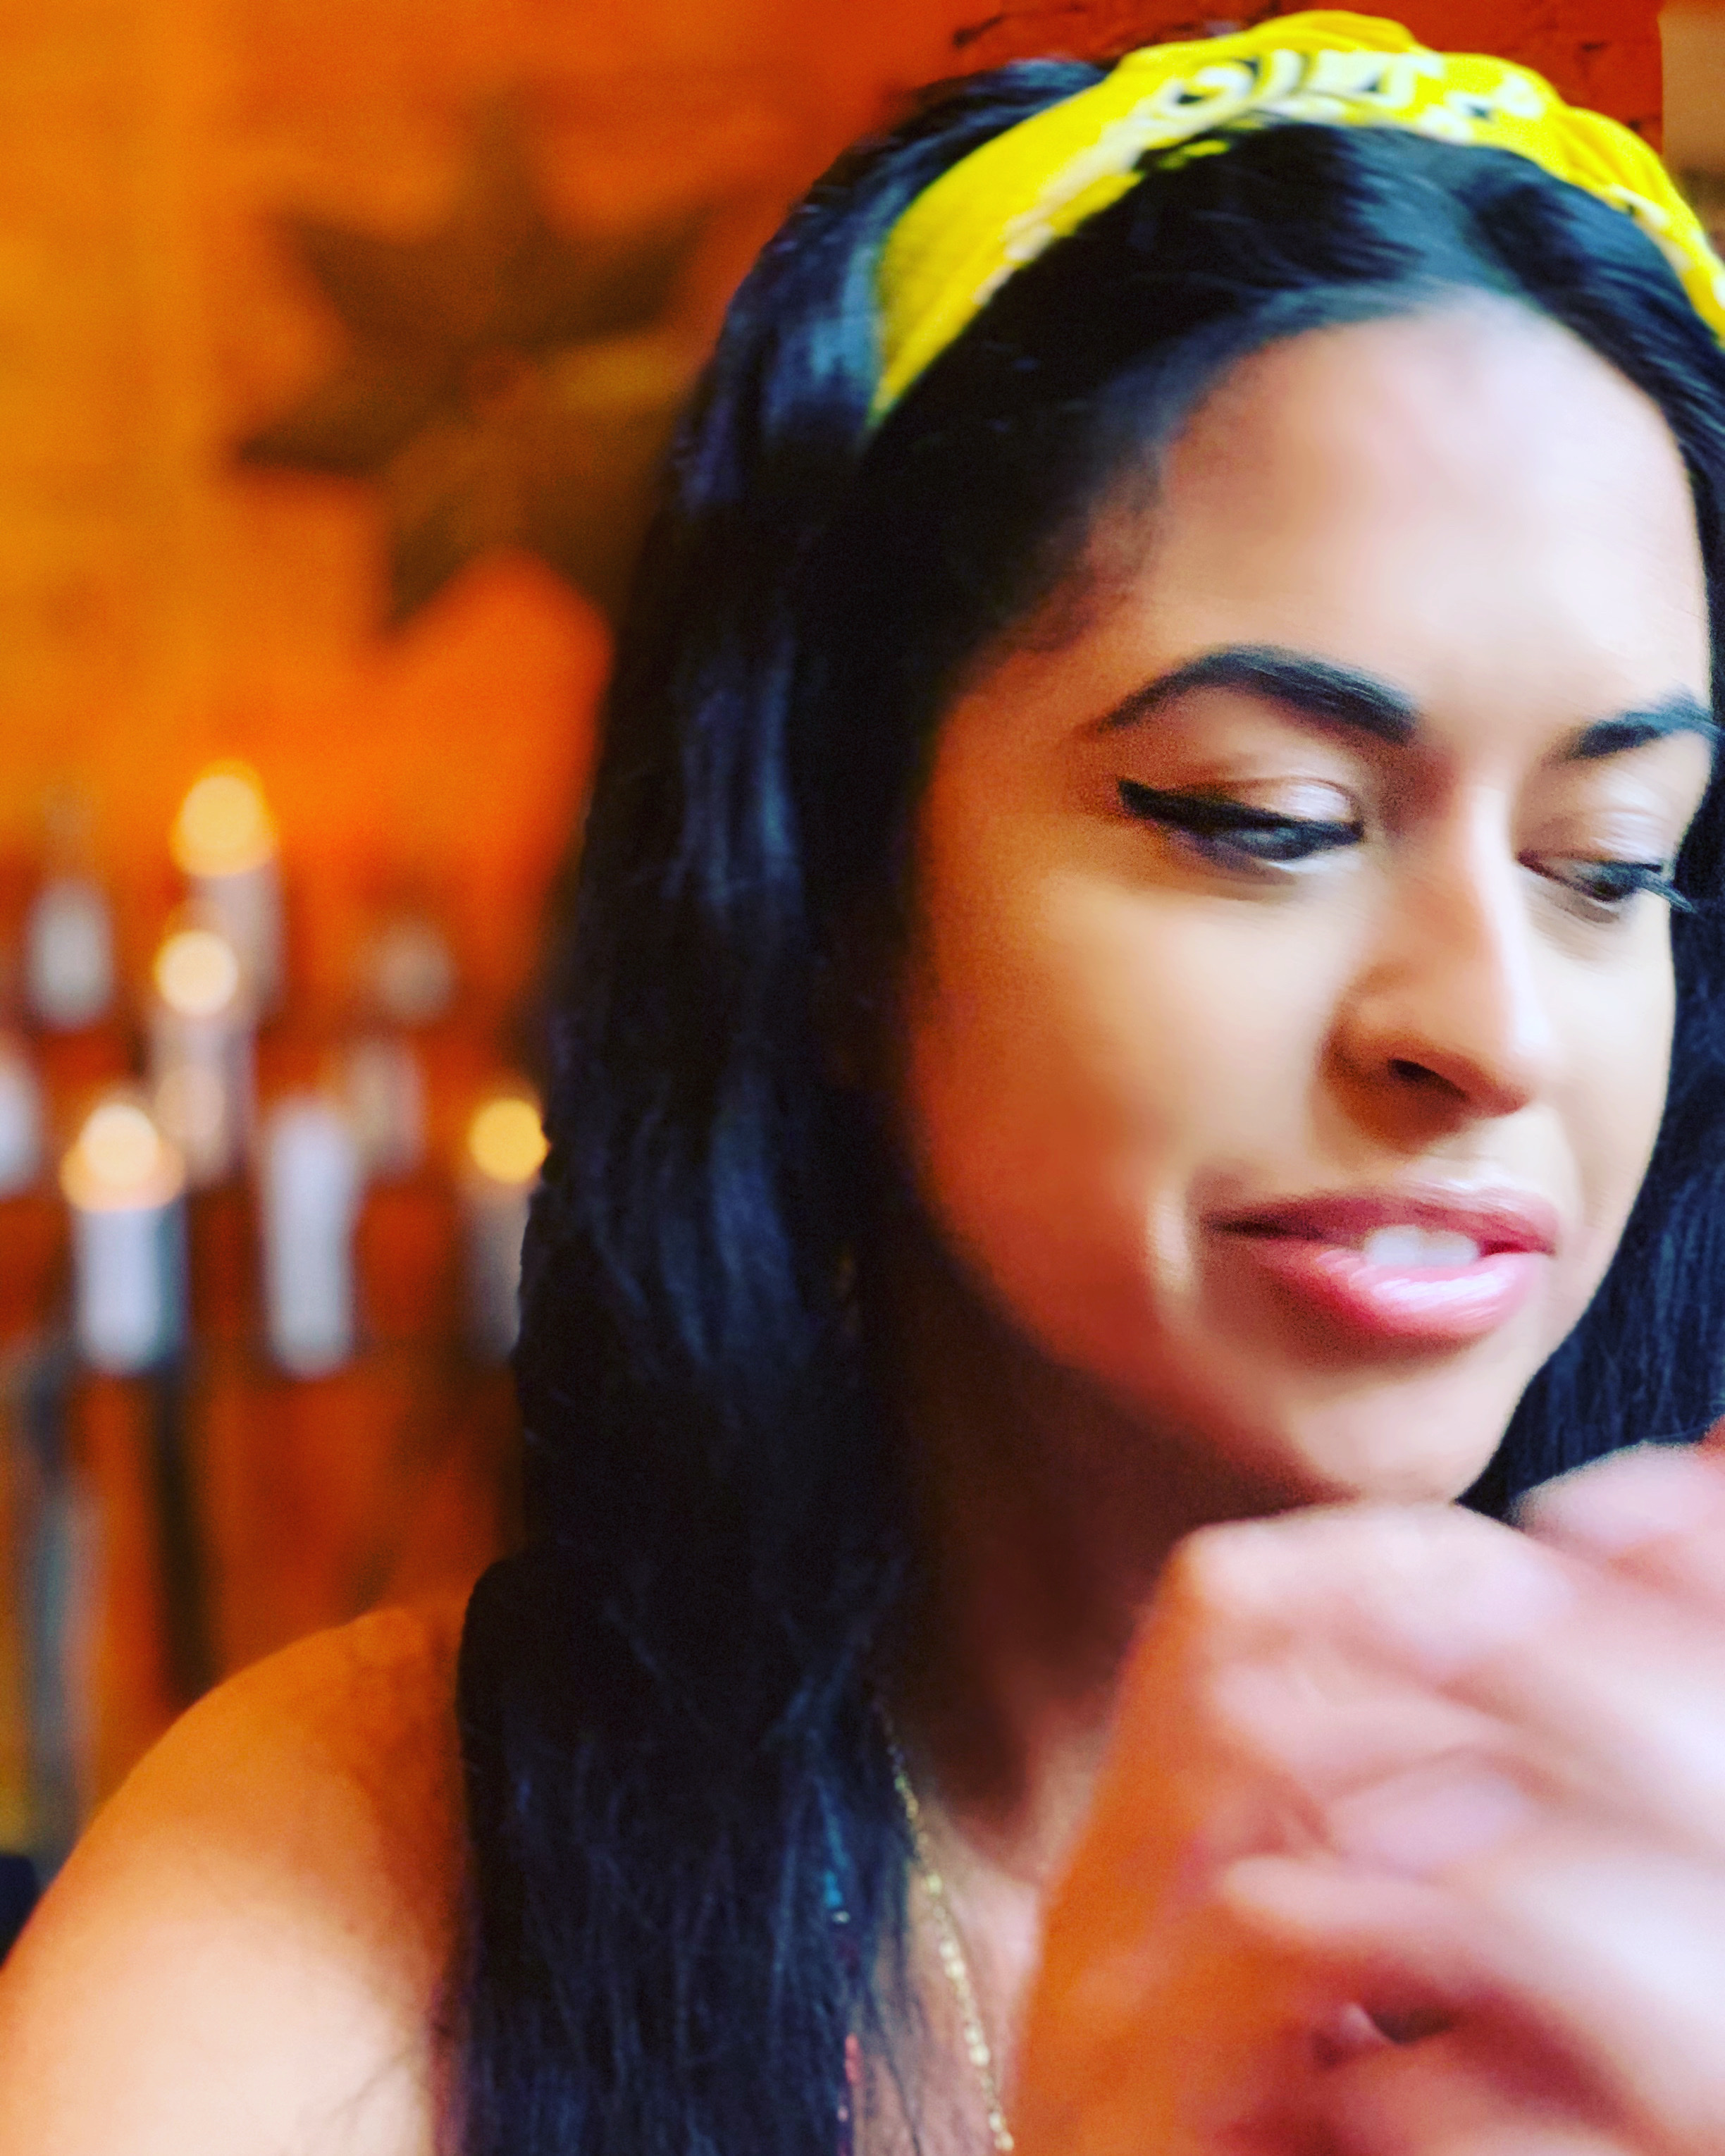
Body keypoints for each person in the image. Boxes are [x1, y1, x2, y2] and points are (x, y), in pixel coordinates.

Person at [6, 11, 1725, 2152]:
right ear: (818, 878)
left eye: (1612, 863)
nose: (1492, 1031)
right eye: (1262, 817)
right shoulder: (349, 1902)